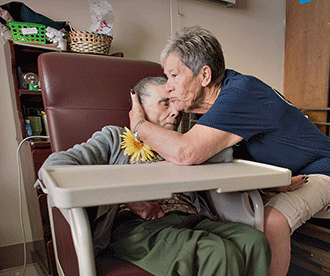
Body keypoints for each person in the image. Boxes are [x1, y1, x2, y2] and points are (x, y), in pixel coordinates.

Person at [129, 26, 330, 276]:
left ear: (205, 75)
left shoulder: (240, 95)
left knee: (271, 221)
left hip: (320, 169)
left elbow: (185, 153)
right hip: (282, 176)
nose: (168, 87)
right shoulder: (205, 111)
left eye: (174, 76)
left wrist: (138, 125)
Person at [39, 77, 271, 276]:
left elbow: (225, 156)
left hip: (189, 217)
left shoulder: (182, 145)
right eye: (165, 103)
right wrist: (128, 193)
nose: (175, 112)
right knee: (217, 252)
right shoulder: (114, 138)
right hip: (136, 226)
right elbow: (54, 167)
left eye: (177, 105)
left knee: (255, 242)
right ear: (138, 106)